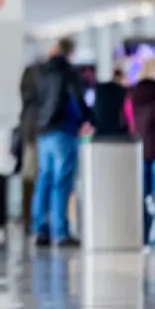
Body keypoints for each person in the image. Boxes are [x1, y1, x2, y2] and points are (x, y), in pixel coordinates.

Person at [31, 37, 92, 248]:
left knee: (44, 180)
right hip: (63, 131)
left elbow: (35, 101)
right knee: (62, 182)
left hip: (43, 132)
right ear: (71, 52)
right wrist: (88, 118)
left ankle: (40, 229)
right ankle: (61, 232)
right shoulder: (69, 73)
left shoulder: (41, 73)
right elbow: (77, 99)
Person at [126, 59, 155, 247]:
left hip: (138, 150)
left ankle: (142, 235)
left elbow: (127, 120)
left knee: (141, 195)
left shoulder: (131, 93)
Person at [17, 60, 42, 233]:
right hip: (35, 138)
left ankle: (30, 219)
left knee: (29, 178)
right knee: (34, 178)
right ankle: (33, 220)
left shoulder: (27, 104)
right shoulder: (36, 105)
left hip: (29, 138)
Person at [93, 68, 130, 137]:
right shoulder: (124, 93)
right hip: (119, 133)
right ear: (122, 79)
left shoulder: (100, 90)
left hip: (101, 132)